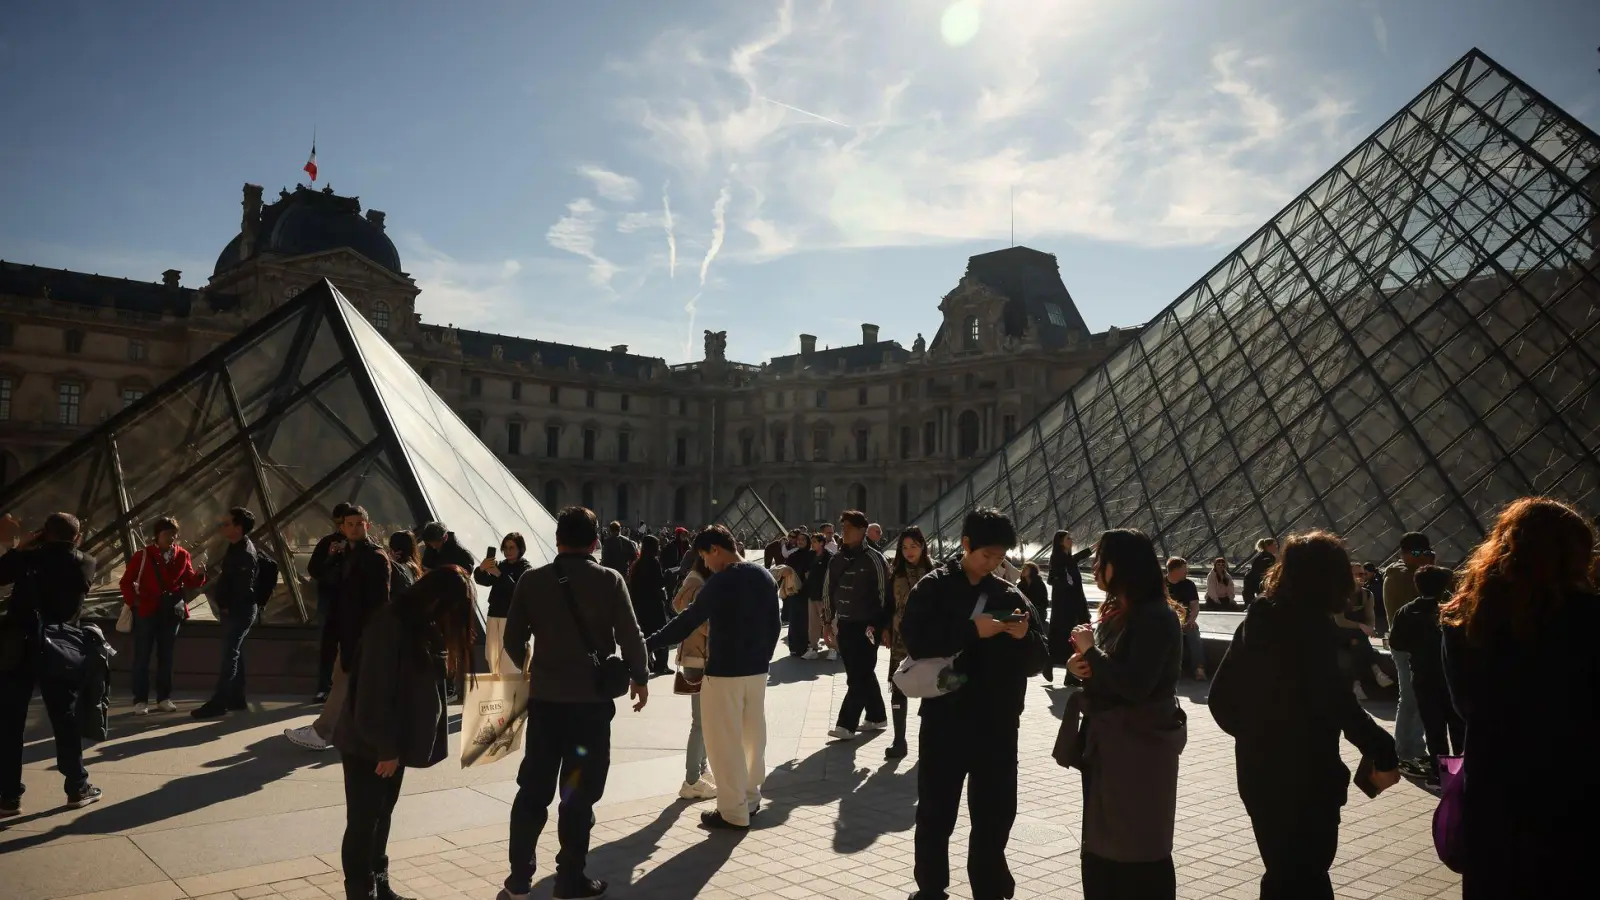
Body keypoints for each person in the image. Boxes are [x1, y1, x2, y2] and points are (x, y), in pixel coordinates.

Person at [1209, 530, 1400, 899]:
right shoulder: (1312, 625)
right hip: (1308, 776)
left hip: (1259, 772)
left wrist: (1257, 735)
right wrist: (1381, 745)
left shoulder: (1260, 615)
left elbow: (1219, 698)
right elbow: (1335, 699)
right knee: (1305, 874)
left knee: (1283, 870)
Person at [1439, 497, 1597, 897]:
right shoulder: (1588, 616)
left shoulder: (1466, 616)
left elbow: (1465, 706)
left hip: (1495, 782)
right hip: (1575, 786)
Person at [500, 507, 650, 900]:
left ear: (557, 539)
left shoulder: (532, 581)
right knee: (578, 793)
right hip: (590, 706)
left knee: (533, 789)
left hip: (546, 703)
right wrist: (640, 677)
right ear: (595, 540)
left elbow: (512, 641)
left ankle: (519, 878)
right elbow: (631, 635)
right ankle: (570, 879)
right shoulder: (609, 580)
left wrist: (532, 668)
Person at [902, 508, 1046, 900]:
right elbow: (915, 641)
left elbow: (1040, 659)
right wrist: (971, 631)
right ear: (966, 545)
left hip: (998, 725)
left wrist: (1022, 637)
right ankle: (931, 888)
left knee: (995, 814)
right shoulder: (933, 588)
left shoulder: (1009, 594)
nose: (994, 564)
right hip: (946, 720)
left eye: (1000, 558)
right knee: (936, 811)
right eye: (987, 556)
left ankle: (991, 887)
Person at [333, 567, 475, 900]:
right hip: (370, 744)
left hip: (389, 744)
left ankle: (380, 885)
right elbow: (373, 692)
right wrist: (386, 748)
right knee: (364, 821)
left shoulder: (418, 624)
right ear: (437, 600)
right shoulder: (390, 625)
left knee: (381, 815)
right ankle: (359, 891)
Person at [1065, 529, 1185, 899]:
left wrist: (1091, 651)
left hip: (1138, 750)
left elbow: (1134, 685)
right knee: (1104, 842)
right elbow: (1112, 672)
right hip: (1114, 745)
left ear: (1123, 566)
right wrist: (1080, 664)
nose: (1095, 567)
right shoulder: (1122, 610)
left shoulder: (1154, 617)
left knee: (1136, 847)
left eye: (1102, 560)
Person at [645, 525, 782, 831]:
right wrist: (763, 658)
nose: (705, 564)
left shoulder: (720, 583)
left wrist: (650, 642)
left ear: (716, 550)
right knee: (752, 738)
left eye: (705, 556)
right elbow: (774, 626)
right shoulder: (764, 577)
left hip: (724, 673)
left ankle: (732, 812)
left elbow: (687, 621)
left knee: (723, 743)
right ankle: (750, 798)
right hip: (757, 672)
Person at [0, 512, 101, 814]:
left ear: (44, 533)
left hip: (18, 648)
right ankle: (77, 787)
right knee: (65, 719)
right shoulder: (86, 561)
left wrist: (21, 549)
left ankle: (8, 796)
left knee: (9, 723)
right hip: (59, 647)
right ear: (77, 536)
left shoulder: (28, 559)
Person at [286, 506, 402, 750]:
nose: (355, 528)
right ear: (342, 527)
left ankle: (322, 732)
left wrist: (370, 635)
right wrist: (331, 558)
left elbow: (380, 602)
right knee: (351, 684)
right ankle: (352, 734)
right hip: (348, 630)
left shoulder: (375, 557)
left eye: (359, 523)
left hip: (362, 633)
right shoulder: (346, 553)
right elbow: (322, 575)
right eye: (350, 524)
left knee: (343, 681)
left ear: (367, 525)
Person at [119, 516, 205, 714]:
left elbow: (190, 580)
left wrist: (200, 575)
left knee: (166, 657)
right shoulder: (142, 556)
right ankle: (140, 700)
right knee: (142, 656)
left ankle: (164, 698)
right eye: (167, 534)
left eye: (174, 535)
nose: (171, 539)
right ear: (157, 535)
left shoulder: (182, 555)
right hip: (147, 610)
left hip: (171, 611)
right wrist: (136, 602)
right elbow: (125, 582)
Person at [821, 510, 891, 741]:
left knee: (859, 675)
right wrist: (827, 622)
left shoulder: (875, 559)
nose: (844, 531)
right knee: (859, 672)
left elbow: (884, 595)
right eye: (843, 527)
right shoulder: (837, 559)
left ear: (862, 530)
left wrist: (882, 626)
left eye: (849, 527)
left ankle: (846, 724)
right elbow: (828, 591)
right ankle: (877, 715)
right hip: (847, 624)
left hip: (868, 626)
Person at [1387, 564, 1460, 785]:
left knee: (1434, 729)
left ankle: (1440, 775)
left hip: (1423, 677)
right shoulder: (1453, 610)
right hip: (1451, 678)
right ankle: (1460, 774)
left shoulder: (1406, 611)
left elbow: (1396, 642)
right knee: (1458, 729)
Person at [192, 507, 261, 720]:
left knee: (229, 655)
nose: (222, 526)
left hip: (239, 612)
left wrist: (227, 606)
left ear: (238, 528)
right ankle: (237, 698)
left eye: (227, 524)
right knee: (234, 654)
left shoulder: (244, 553)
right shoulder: (236, 547)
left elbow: (242, 588)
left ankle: (219, 702)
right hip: (236, 610)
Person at [1381, 532, 1430, 776]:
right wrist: (1430, 570)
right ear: (1404, 553)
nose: (1423, 558)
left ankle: (1416, 749)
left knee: (1419, 699)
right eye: (1418, 553)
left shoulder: (1416, 572)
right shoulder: (1398, 575)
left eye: (1426, 552)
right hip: (1406, 645)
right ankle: (1404, 752)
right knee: (1410, 699)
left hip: (1420, 645)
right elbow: (1425, 594)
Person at [883, 526, 934, 760]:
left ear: (923, 546)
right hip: (901, 640)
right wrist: (885, 629)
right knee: (898, 687)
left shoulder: (935, 572)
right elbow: (887, 605)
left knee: (932, 689)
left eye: (913, 546)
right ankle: (899, 739)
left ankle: (929, 741)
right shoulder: (895, 573)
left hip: (929, 640)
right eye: (904, 547)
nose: (909, 551)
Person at [671, 554, 717, 801]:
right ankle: (691, 780)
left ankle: (700, 771)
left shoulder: (694, 580)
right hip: (699, 658)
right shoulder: (698, 584)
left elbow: (677, 607)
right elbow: (700, 622)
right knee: (700, 723)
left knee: (704, 721)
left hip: (694, 657)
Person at [307, 503, 360, 703]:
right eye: (338, 523)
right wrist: (330, 557)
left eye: (343, 523)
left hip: (353, 603)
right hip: (330, 602)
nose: (341, 527)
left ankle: (351, 688)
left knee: (353, 647)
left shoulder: (364, 545)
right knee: (327, 646)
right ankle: (324, 687)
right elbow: (314, 570)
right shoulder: (327, 543)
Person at [475, 532, 532, 675]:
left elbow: (518, 590)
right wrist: (481, 569)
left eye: (512, 547)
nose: (508, 551)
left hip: (511, 617)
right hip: (494, 614)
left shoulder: (525, 568)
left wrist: (500, 575)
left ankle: (511, 689)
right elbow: (484, 580)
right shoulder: (501, 565)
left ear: (520, 548)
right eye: (505, 548)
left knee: (508, 657)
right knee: (491, 654)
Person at [627, 535, 672, 676]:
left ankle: (648, 662)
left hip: (641, 606)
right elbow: (659, 583)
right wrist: (669, 576)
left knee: (646, 635)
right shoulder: (654, 563)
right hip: (655, 606)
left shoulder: (637, 564)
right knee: (661, 634)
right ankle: (661, 664)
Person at [1164, 558, 1205, 681]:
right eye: (1184, 569)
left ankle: (1199, 669)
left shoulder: (1189, 585)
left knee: (1193, 632)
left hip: (1186, 621)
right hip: (1166, 621)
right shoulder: (1161, 584)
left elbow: (1195, 606)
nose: (1187, 571)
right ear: (1175, 570)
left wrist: (1191, 620)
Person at [782, 532, 818, 657]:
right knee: (794, 620)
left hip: (807, 592)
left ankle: (806, 646)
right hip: (795, 592)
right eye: (798, 540)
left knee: (806, 620)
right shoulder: (793, 555)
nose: (800, 542)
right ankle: (794, 647)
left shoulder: (812, 555)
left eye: (803, 539)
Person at [1018, 561, 1051, 680]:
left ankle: (1047, 664)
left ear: (1032, 570)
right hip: (1025, 615)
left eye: (1026, 568)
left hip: (1038, 614)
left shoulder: (1039, 583)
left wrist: (1035, 610)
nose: (1023, 570)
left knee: (1039, 636)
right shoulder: (1020, 585)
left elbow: (1044, 601)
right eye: (1023, 568)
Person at [801, 533, 832, 659]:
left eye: (815, 541)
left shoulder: (829, 556)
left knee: (827, 622)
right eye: (812, 541)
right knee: (813, 623)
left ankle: (833, 648)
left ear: (821, 543)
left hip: (824, 595)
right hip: (812, 593)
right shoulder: (810, 555)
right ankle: (813, 647)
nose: (812, 544)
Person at [1241, 537, 1276, 608]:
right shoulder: (1269, 558)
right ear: (1268, 546)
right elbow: (1265, 572)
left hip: (1251, 579)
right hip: (1258, 580)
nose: (1276, 546)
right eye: (1274, 545)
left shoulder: (1260, 556)